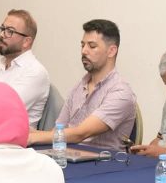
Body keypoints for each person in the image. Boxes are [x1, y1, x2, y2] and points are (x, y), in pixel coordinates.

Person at [28, 19, 136, 150]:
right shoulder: (79, 86)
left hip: (103, 160)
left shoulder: (121, 93)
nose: (84, 51)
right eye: (82, 45)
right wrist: (28, 133)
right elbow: (58, 131)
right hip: (70, 155)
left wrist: (32, 137)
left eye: (92, 46)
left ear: (111, 51)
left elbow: (80, 134)